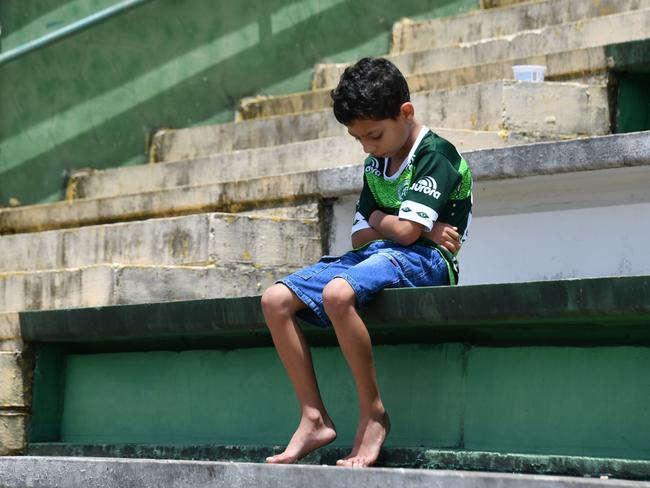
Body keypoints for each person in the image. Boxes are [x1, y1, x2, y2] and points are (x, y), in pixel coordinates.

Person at [261, 57, 473, 468]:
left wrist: (400, 226)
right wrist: (402, 224)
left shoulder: (436, 153)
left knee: (338, 294)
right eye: (358, 139)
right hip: (377, 255)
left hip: (428, 261)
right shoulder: (377, 161)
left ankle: (373, 413)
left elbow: (409, 237)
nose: (367, 147)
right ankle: (314, 417)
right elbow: (360, 235)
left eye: (374, 135)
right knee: (274, 300)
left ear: (405, 113)